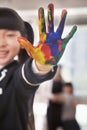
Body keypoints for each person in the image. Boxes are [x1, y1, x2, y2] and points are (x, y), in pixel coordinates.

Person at [0, 3, 77, 130]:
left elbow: (29, 75)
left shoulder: (16, 74)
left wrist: (43, 63)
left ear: (23, 41)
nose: (1, 43)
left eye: (10, 35)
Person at [46, 65, 64, 130]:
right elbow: (46, 94)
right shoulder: (50, 80)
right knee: (51, 125)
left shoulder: (63, 81)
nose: (58, 71)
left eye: (60, 70)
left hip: (59, 108)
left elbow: (64, 95)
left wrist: (58, 98)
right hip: (51, 107)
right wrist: (54, 97)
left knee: (58, 126)